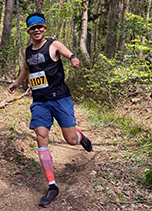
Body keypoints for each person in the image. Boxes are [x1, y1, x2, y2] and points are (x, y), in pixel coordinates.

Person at [8, 12, 93, 208]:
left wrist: (73, 58)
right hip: (40, 101)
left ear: (44, 28)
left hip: (60, 98)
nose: (36, 30)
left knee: (70, 140)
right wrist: (16, 83)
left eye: (40, 26)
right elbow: (26, 69)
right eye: (33, 27)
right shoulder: (26, 52)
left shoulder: (53, 44)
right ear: (29, 31)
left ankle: (80, 137)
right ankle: (52, 186)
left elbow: (68, 53)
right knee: (41, 135)